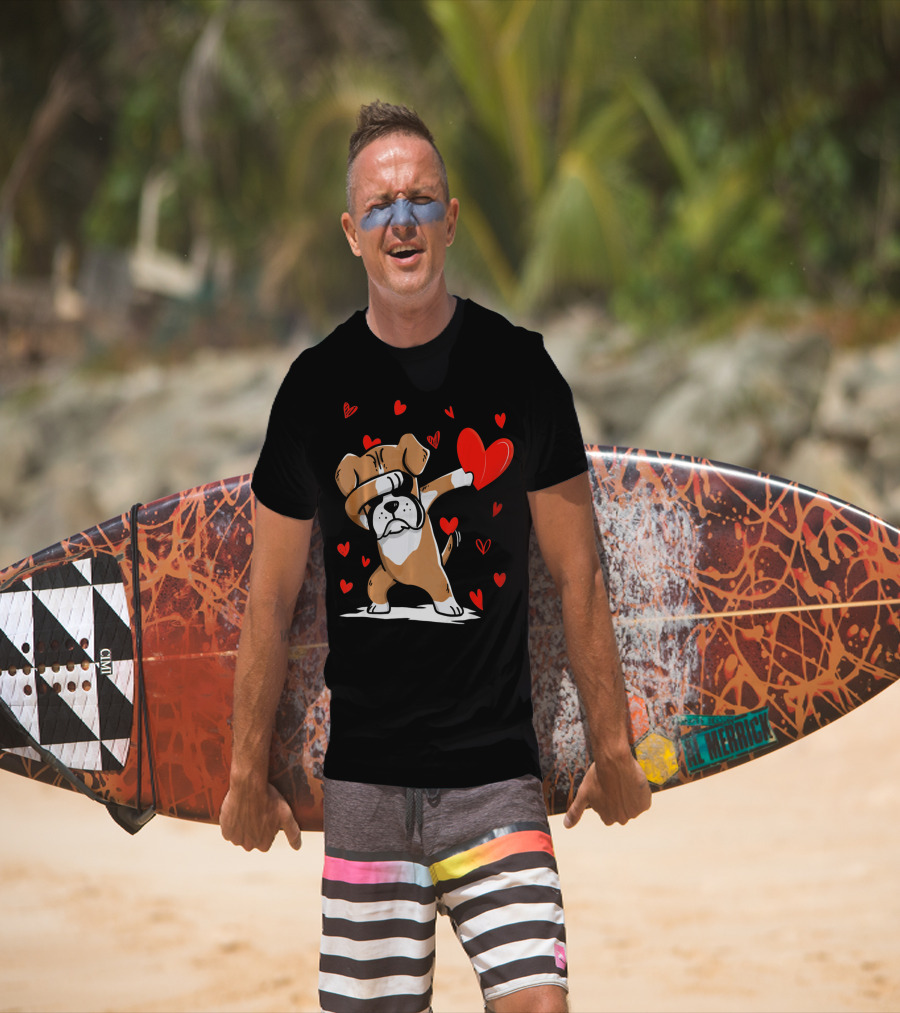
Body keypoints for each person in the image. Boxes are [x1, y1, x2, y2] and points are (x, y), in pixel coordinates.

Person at [220, 100, 651, 1013]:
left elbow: (579, 575)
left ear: (451, 219)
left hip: (496, 780)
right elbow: (269, 601)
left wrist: (612, 746)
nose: (402, 220)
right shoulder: (313, 390)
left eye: (421, 200)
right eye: (380, 206)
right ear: (351, 232)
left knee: (540, 1003)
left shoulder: (522, 372)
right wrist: (242, 772)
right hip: (367, 787)